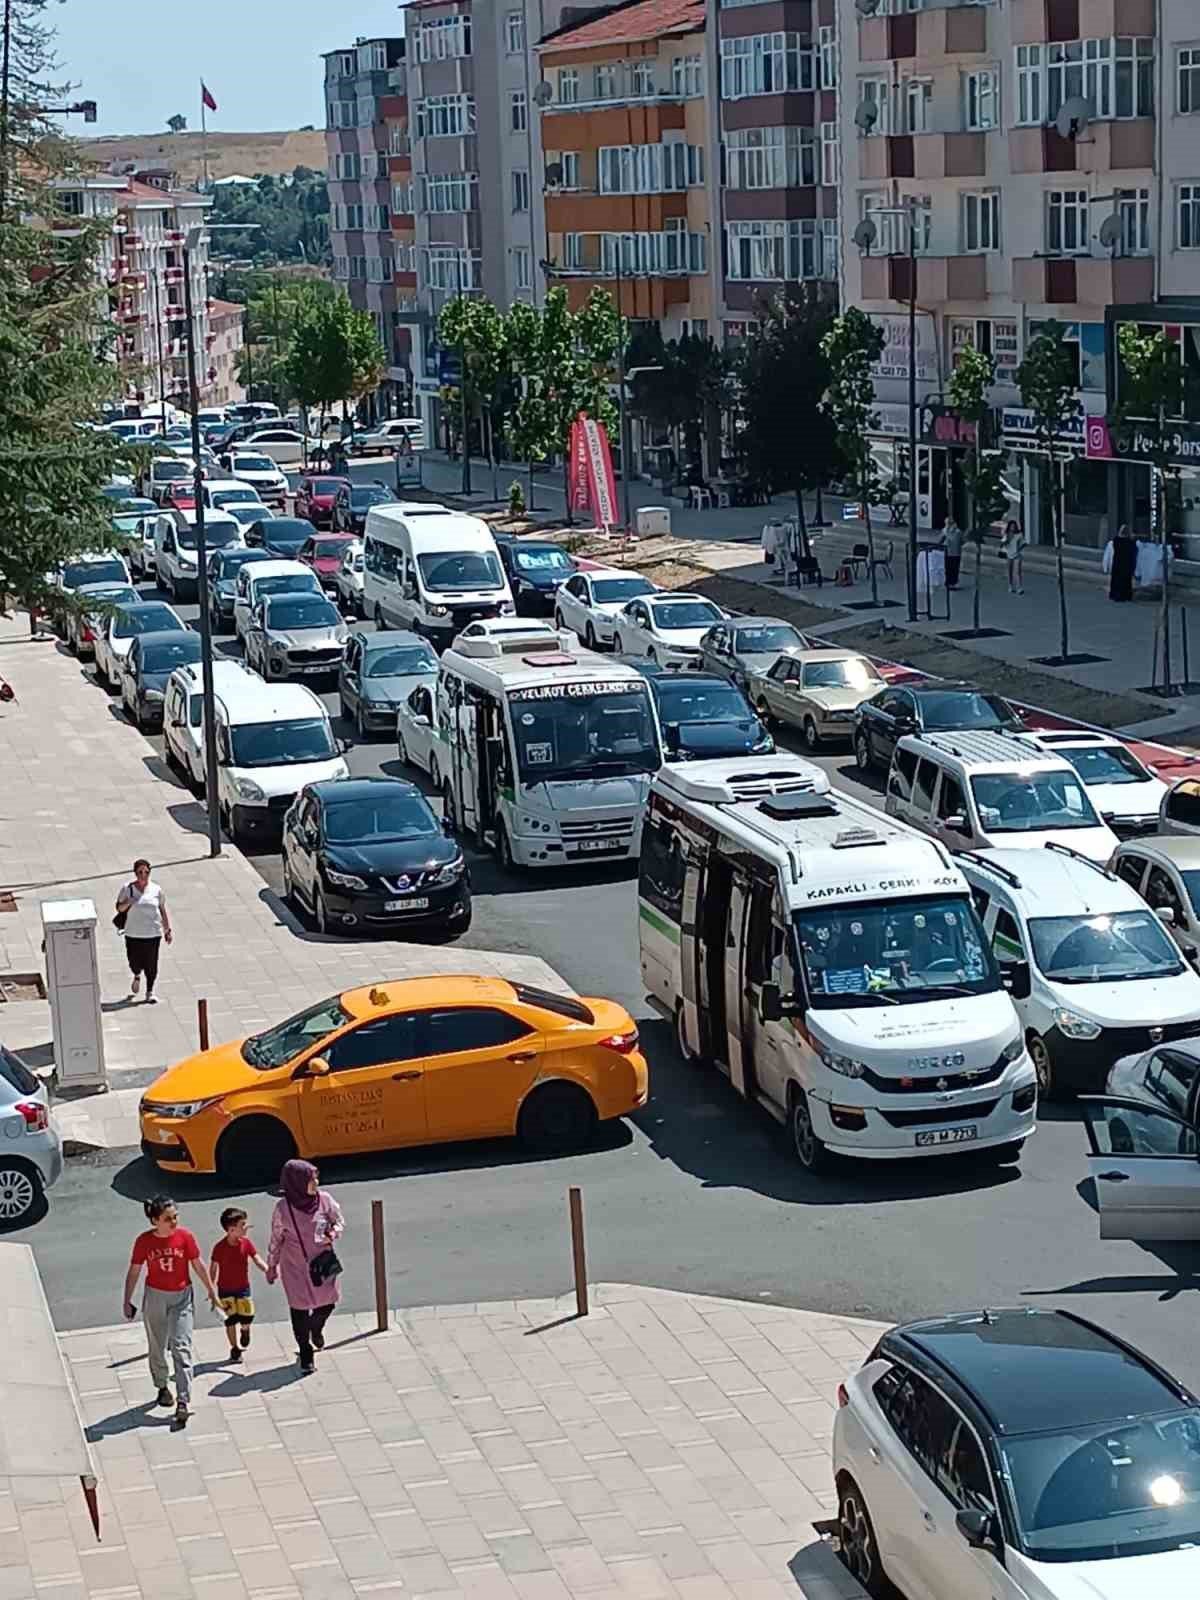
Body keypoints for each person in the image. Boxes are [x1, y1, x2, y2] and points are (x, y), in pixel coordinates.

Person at [123, 1196, 219, 1427]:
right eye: (168, 1218)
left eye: (176, 1216)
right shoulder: (144, 1242)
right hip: (155, 1296)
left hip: (182, 1296)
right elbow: (135, 1270)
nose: (174, 1221)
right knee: (157, 1345)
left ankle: (183, 1400)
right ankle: (162, 1386)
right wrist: (127, 1300)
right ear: (155, 1221)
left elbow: (197, 1264)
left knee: (182, 1346)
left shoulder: (185, 1238)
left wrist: (211, 1290)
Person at [267, 1159, 345, 1375]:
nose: (316, 1183)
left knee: (329, 1302)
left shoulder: (325, 1200)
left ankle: (316, 1328)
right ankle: (305, 1352)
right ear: (297, 1183)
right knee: (299, 1309)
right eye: (312, 1179)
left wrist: (333, 1232)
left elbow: (338, 1221)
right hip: (294, 1265)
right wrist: (272, 1265)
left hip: (322, 1262)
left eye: (316, 1178)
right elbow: (276, 1238)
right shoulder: (283, 1209)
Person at [210, 1207, 268, 1364]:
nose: (246, 1227)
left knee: (248, 1315)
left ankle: (245, 1329)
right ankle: (235, 1348)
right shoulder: (219, 1248)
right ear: (231, 1230)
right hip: (225, 1290)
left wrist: (267, 1270)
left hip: (243, 1288)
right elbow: (213, 1268)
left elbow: (256, 1258)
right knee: (230, 1320)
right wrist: (211, 1289)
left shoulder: (246, 1243)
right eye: (243, 1225)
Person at [115, 858, 172, 1003]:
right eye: (140, 872)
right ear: (135, 873)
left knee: (151, 963)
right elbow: (119, 908)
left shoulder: (156, 890)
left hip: (153, 933)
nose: (143, 875)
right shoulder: (127, 889)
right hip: (133, 933)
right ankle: (136, 974)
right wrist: (130, 901)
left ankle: (150, 991)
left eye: (146, 872)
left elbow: (162, 909)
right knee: (134, 961)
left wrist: (167, 930)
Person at [1109, 523, 1137, 603]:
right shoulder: (1129, 542)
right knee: (1125, 580)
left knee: (1117, 580)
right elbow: (1132, 550)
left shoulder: (1116, 540)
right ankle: (1125, 595)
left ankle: (1116, 595)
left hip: (1117, 563)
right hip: (1126, 563)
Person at [1001, 520, 1025, 595]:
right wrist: (1007, 539)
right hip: (1009, 554)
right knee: (1009, 571)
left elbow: (1024, 543)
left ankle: (1019, 588)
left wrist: (1019, 548)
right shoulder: (1006, 534)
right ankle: (1010, 586)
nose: (1013, 528)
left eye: (1014, 526)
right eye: (1011, 526)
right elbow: (1002, 544)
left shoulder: (1019, 534)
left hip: (1017, 555)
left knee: (1017, 571)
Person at [942, 517, 964, 590]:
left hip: (950, 552)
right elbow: (962, 541)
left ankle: (949, 583)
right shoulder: (958, 531)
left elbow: (941, 540)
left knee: (949, 568)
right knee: (953, 568)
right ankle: (952, 583)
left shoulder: (945, 531)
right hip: (955, 553)